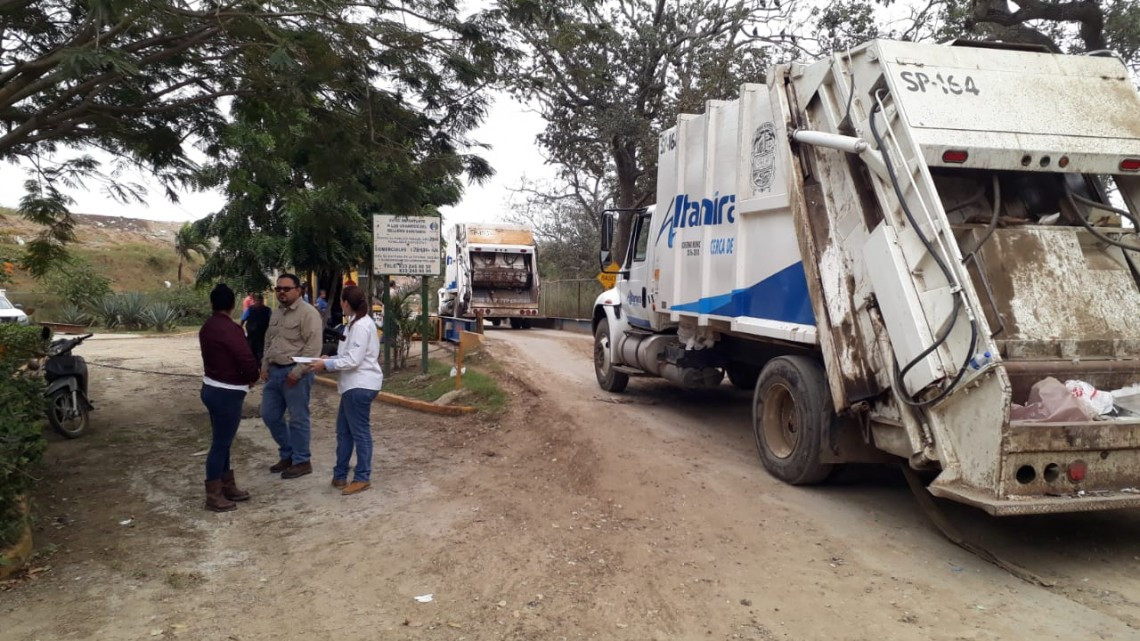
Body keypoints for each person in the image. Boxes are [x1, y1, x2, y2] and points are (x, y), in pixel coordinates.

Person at [308, 286, 382, 495]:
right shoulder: (356, 324)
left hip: (359, 385)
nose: (341, 305)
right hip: (352, 385)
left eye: (342, 301)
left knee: (359, 433)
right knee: (344, 432)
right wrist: (329, 360)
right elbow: (348, 355)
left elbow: (353, 360)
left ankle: (362, 477)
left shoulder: (360, 326)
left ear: (346, 303)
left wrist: (327, 365)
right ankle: (340, 474)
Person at [199, 284, 260, 512]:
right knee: (220, 444)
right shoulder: (231, 329)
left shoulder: (207, 327)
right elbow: (245, 358)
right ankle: (214, 496)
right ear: (233, 305)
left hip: (211, 388)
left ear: (212, 303)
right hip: (228, 392)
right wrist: (252, 376)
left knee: (222, 442)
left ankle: (225, 486)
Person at [260, 273, 323, 479]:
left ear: (298, 290)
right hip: (275, 371)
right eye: (278, 289)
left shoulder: (308, 313)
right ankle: (288, 453)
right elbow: (269, 341)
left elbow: (313, 347)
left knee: (298, 419)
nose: (281, 292)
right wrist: (264, 364)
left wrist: (297, 373)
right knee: (269, 415)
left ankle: (302, 460)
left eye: (286, 289)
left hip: (296, 373)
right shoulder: (277, 313)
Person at [244, 293, 272, 363]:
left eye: (260, 300)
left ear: (262, 301)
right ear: (254, 301)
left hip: (263, 336)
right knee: (251, 354)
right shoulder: (249, 309)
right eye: (257, 300)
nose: (258, 302)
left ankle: (261, 369)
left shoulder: (267, 310)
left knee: (261, 355)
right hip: (251, 337)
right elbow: (243, 319)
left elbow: (272, 322)